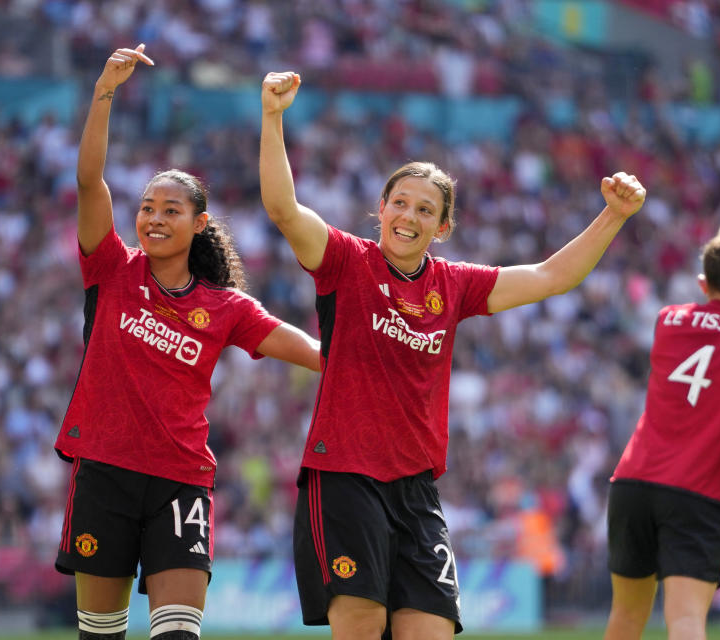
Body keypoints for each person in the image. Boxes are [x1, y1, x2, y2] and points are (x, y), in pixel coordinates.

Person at [259, 70, 645, 640]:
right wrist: (273, 116)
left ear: (442, 226)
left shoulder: (455, 284)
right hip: (344, 475)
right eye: (401, 203)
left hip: (416, 488)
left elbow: (551, 276)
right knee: (361, 628)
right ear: (382, 207)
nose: (409, 217)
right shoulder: (346, 261)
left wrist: (613, 215)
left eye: (425, 210)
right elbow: (285, 209)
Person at [53, 46, 321, 640]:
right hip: (104, 472)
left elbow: (301, 347)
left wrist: (363, 360)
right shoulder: (112, 270)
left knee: (177, 635)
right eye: (147, 208)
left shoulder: (224, 307)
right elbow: (89, 180)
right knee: (99, 635)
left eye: (170, 210)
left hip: (181, 481)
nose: (152, 218)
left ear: (199, 222)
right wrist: (105, 91)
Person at [604, 223, 720, 640]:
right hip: (696, 493)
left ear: (702, 283)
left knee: (625, 618)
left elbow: (713, 329)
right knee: (686, 620)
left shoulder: (666, 320)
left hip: (632, 484)